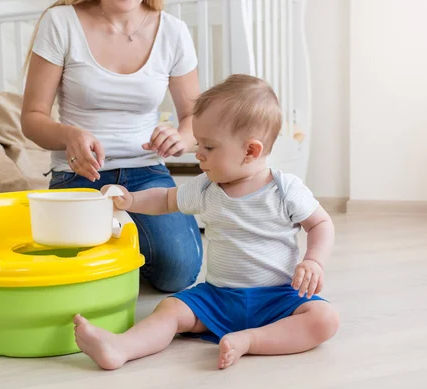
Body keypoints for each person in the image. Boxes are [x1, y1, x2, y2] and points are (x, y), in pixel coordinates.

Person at [72, 74, 340, 370]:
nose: (198, 153)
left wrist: (314, 261)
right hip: (218, 297)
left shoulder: (284, 189)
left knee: (324, 319)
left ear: (251, 151)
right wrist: (132, 200)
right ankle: (120, 347)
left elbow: (320, 224)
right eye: (198, 143)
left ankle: (251, 340)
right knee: (171, 309)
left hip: (277, 299)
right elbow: (165, 199)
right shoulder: (206, 188)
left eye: (209, 147)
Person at [20, 0, 203, 293]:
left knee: (178, 273)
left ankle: (122, 244)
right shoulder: (60, 22)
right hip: (79, 173)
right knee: (74, 275)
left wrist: (181, 137)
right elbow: (32, 119)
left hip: (147, 172)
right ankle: (120, 246)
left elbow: (195, 119)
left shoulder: (173, 31)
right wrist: (70, 136)